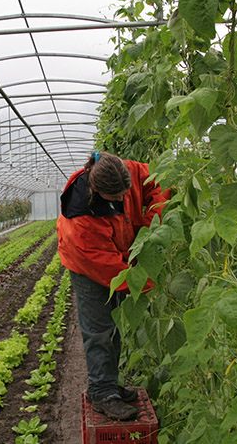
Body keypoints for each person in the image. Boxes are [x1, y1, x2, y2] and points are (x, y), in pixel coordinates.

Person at [56, 151, 169, 420]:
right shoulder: (81, 218)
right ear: (96, 190)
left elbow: (158, 180)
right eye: (115, 198)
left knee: (114, 324)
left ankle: (109, 384)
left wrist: (158, 219)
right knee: (99, 328)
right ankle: (101, 392)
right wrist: (148, 284)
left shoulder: (123, 171)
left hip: (117, 252)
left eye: (124, 193)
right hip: (88, 267)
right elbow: (106, 265)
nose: (122, 199)